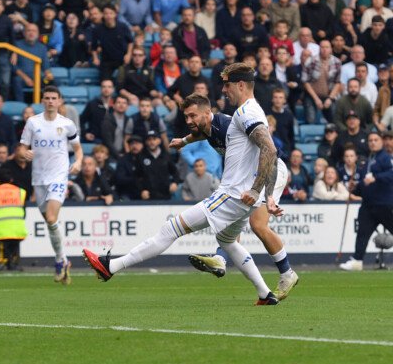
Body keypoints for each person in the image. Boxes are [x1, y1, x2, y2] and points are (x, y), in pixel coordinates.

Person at [85, 64, 291, 305]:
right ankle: (264, 293)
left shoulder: (240, 115)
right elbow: (205, 134)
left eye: (227, 85)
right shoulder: (234, 117)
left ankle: (111, 266)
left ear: (241, 85)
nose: (223, 90)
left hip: (233, 194)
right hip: (240, 193)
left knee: (170, 229)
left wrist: (263, 192)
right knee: (227, 242)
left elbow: (269, 150)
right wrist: (184, 141)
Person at [20, 86, 82, 284]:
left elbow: (78, 149)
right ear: (42, 101)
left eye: (54, 98)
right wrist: (25, 153)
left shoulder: (67, 124)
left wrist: (78, 162)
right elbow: (22, 148)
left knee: (52, 217)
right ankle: (62, 259)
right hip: (38, 178)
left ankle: (59, 260)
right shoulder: (32, 123)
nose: (50, 101)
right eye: (47, 98)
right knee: (49, 222)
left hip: (58, 177)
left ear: (59, 101)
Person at [339, 132, 393, 271]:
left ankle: (357, 260)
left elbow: (391, 174)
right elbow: (364, 184)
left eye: (376, 140)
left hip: (384, 204)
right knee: (362, 233)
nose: (373, 142)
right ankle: (357, 260)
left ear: (381, 142)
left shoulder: (386, 158)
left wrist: (376, 177)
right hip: (368, 205)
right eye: (370, 140)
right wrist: (355, 189)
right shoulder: (367, 160)